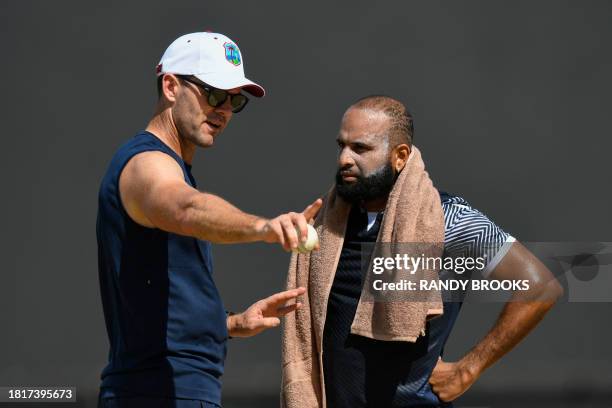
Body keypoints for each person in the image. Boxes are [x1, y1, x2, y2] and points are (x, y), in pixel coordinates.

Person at [280, 95, 563, 407]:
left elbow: (540, 285)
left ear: (400, 156)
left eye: (360, 148)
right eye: (342, 146)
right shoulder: (327, 222)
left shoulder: (447, 219)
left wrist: (467, 369)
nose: (344, 158)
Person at [96, 32, 321, 408]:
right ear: (171, 86)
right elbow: (187, 209)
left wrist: (229, 324)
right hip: (156, 393)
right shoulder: (147, 164)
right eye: (214, 93)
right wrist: (263, 227)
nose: (224, 110)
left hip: (175, 390)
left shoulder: (175, 167)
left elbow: (158, 305)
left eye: (235, 100)